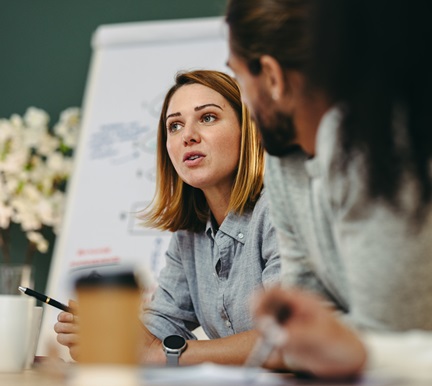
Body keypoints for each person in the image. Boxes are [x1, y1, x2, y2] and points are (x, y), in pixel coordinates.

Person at [225, 0, 432, 379]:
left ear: (271, 76)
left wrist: (341, 344)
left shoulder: (380, 147)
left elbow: (390, 336)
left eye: (238, 77)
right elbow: (307, 328)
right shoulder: (283, 161)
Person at [55, 69, 282, 366]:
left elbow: (291, 338)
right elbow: (163, 325)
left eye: (208, 117)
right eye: (174, 126)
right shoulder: (190, 234)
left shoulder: (281, 211)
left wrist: (161, 353)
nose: (188, 136)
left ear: (248, 129)